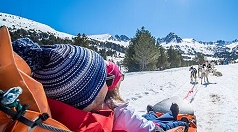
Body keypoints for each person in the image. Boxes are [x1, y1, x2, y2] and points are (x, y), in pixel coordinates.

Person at [12, 38, 188, 132]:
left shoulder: (83, 115)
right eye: (106, 80)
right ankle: (168, 118)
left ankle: (155, 115)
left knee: (148, 118)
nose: (109, 85)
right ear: (85, 96)